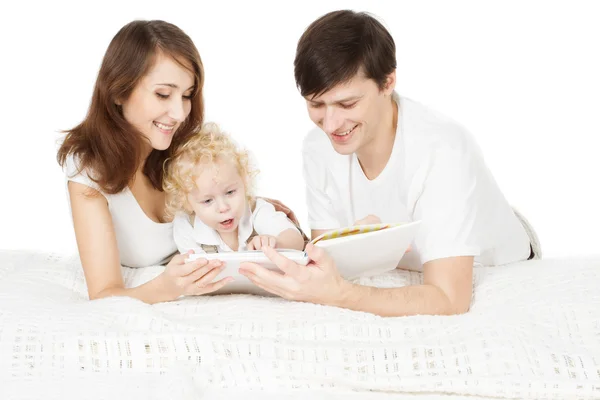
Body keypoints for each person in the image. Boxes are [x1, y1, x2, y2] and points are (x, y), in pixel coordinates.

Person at [239, 10, 535, 317]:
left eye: (348, 103)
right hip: (406, 257)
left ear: (387, 82)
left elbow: (449, 299)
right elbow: (327, 257)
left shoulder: (441, 147)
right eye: (316, 104)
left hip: (500, 251)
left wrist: (340, 292)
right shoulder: (316, 148)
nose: (330, 124)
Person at [57, 20, 296, 304]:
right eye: (162, 94)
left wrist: (249, 207)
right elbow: (105, 293)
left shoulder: (182, 149)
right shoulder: (89, 172)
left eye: (186, 95)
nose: (179, 112)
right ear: (119, 91)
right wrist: (169, 286)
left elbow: (213, 202)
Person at [163, 122, 305, 257]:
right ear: (187, 202)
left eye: (230, 192)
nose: (223, 207)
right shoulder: (187, 226)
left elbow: (296, 240)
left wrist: (276, 244)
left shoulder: (257, 210)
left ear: (244, 181)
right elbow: (194, 271)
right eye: (207, 201)